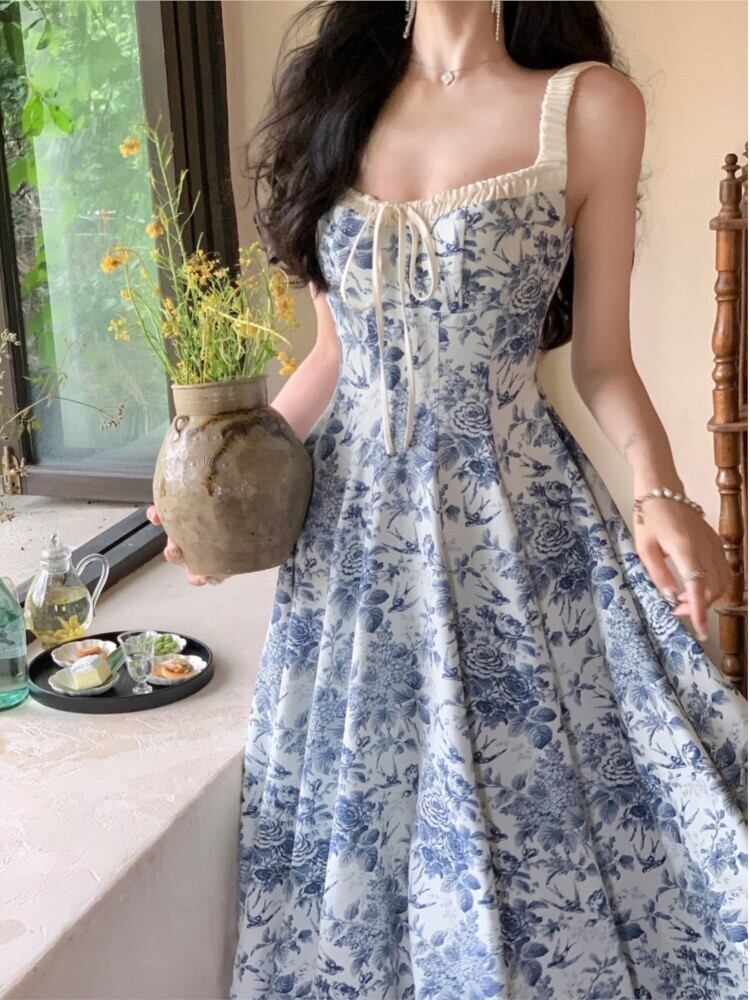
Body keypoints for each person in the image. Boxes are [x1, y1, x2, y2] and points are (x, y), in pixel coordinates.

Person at [149, 2, 749, 996]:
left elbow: (602, 362)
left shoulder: (589, 108)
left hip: (514, 531)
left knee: (542, 821)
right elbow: (331, 361)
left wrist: (660, 491)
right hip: (352, 552)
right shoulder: (334, 104)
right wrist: (218, 486)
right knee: (363, 841)